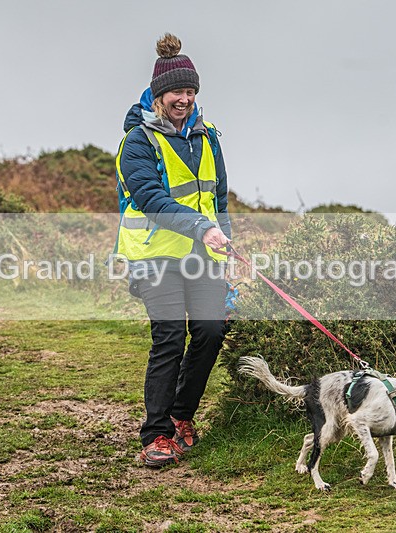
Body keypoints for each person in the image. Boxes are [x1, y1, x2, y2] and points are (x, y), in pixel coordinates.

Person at [115, 33, 232, 467]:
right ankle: (156, 433)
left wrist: (227, 251)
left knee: (210, 332)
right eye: (175, 92)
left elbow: (218, 201)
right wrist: (200, 227)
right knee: (169, 336)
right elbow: (149, 198)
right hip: (152, 256)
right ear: (158, 94)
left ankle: (181, 416)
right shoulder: (138, 142)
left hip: (203, 255)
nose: (183, 99)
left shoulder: (209, 136)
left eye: (189, 91)